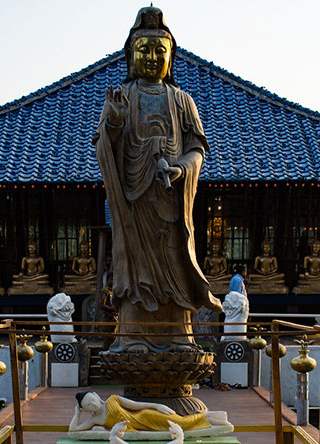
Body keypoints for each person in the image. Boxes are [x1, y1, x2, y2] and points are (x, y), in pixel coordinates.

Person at [94, 6, 222, 352]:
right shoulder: (122, 96)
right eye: (143, 51)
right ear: (131, 57)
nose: (151, 58)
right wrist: (116, 123)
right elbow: (104, 148)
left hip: (171, 202)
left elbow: (197, 149)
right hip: (135, 206)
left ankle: (179, 336)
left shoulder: (182, 101)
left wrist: (181, 168)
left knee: (174, 263)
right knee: (136, 271)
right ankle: (132, 336)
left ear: (170, 58)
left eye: (159, 51)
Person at [69, 391, 230, 432]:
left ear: (97, 396)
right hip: (140, 428)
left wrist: (156, 406)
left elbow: (137, 405)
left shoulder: (113, 399)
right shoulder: (96, 420)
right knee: (181, 424)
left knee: (182, 423)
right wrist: (77, 413)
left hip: (146, 416)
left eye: (92, 400)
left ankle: (212, 417)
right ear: (86, 410)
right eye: (88, 405)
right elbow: (73, 429)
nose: (93, 404)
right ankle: (212, 419)